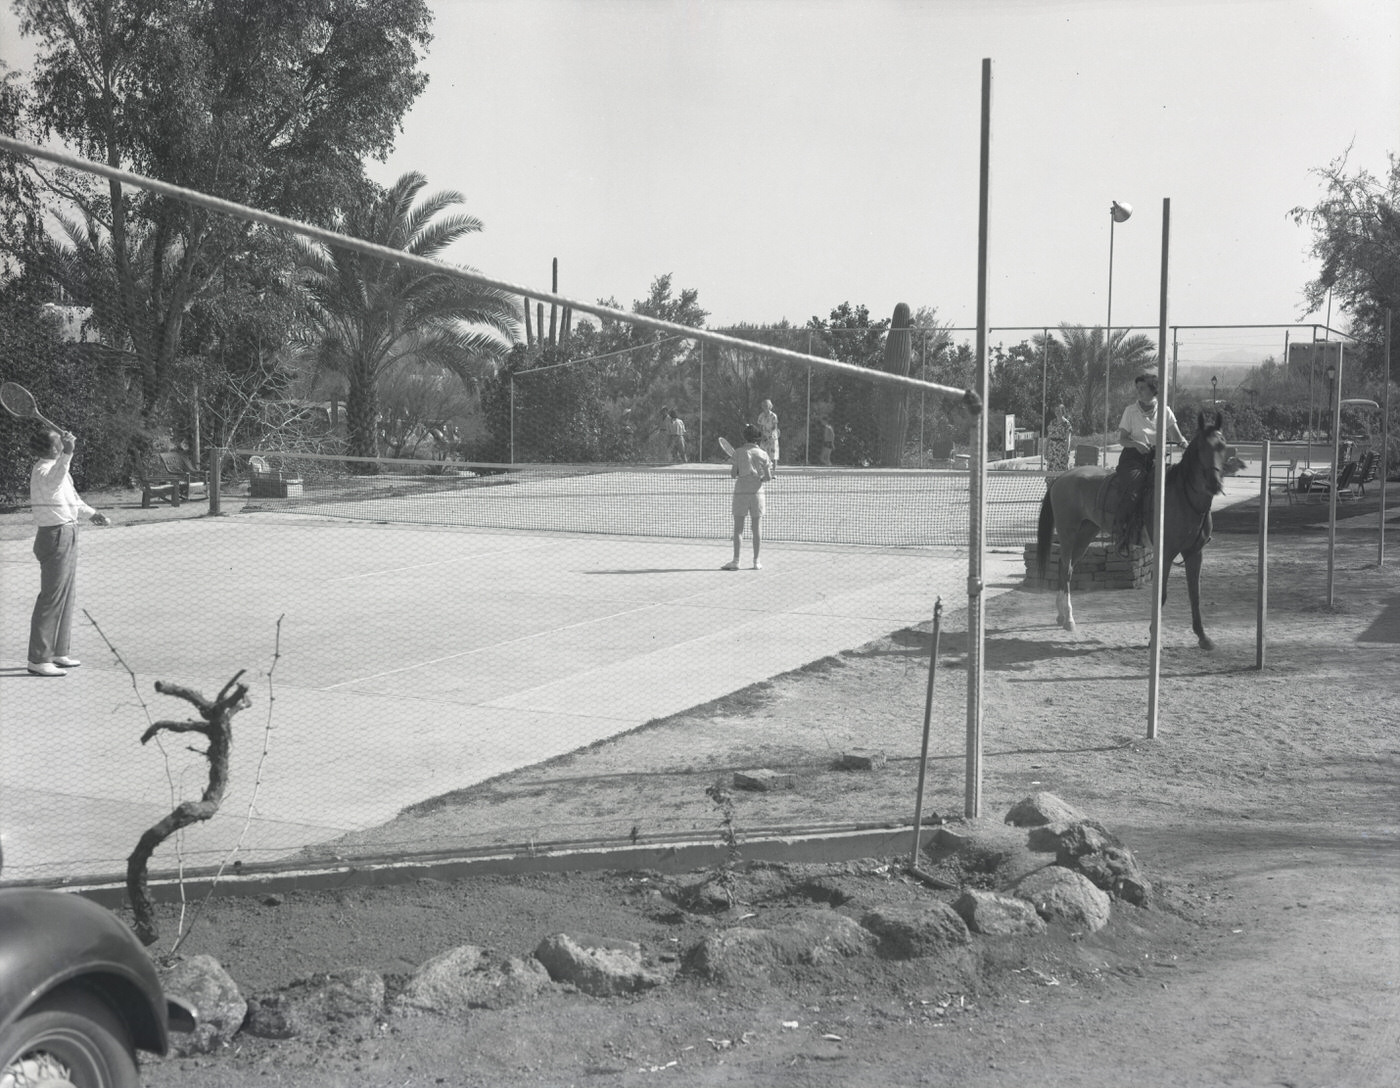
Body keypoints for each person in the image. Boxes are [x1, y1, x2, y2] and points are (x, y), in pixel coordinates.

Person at [27, 427, 110, 677]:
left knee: (66, 595)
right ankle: (38, 659)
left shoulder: (58, 469)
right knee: (52, 596)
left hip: (69, 531)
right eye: (58, 444)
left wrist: (93, 513)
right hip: (54, 535)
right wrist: (70, 453)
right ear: (49, 449)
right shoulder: (43, 470)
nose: (63, 445)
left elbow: (72, 499)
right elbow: (53, 481)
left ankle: (58, 652)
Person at [1113, 369, 1186, 554]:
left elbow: (1177, 436)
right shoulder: (1130, 411)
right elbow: (1122, 439)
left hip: (1156, 459)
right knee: (1135, 489)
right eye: (1137, 388)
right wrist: (1136, 444)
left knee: (1174, 486)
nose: (1139, 391)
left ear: (1154, 390)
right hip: (1133, 459)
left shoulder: (1165, 410)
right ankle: (1124, 532)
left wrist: (1185, 443)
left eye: (1143, 388)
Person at [722, 423, 773, 571]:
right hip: (757, 493)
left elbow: (733, 475)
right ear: (757, 437)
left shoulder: (738, 452)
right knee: (756, 528)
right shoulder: (763, 454)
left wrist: (738, 469)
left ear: (745, 436)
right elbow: (768, 477)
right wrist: (760, 478)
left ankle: (736, 561)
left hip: (741, 492)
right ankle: (756, 562)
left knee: (738, 529)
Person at [1044, 403, 1072, 473]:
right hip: (1052, 449)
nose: (1057, 412)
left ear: (1063, 412)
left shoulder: (1066, 424)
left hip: (1061, 449)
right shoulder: (1052, 422)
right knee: (1051, 469)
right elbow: (1048, 437)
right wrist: (1045, 450)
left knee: (1062, 469)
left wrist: (1066, 452)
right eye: (1056, 411)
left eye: (1059, 411)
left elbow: (1068, 439)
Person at [756, 399, 779, 473]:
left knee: (773, 456)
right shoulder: (761, 416)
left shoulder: (774, 416)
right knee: (762, 455)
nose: (765, 407)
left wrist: (770, 436)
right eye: (763, 405)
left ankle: (773, 473)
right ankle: (764, 472)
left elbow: (775, 427)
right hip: (764, 437)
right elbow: (760, 427)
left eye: (766, 405)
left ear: (770, 406)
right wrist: (763, 436)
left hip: (772, 438)